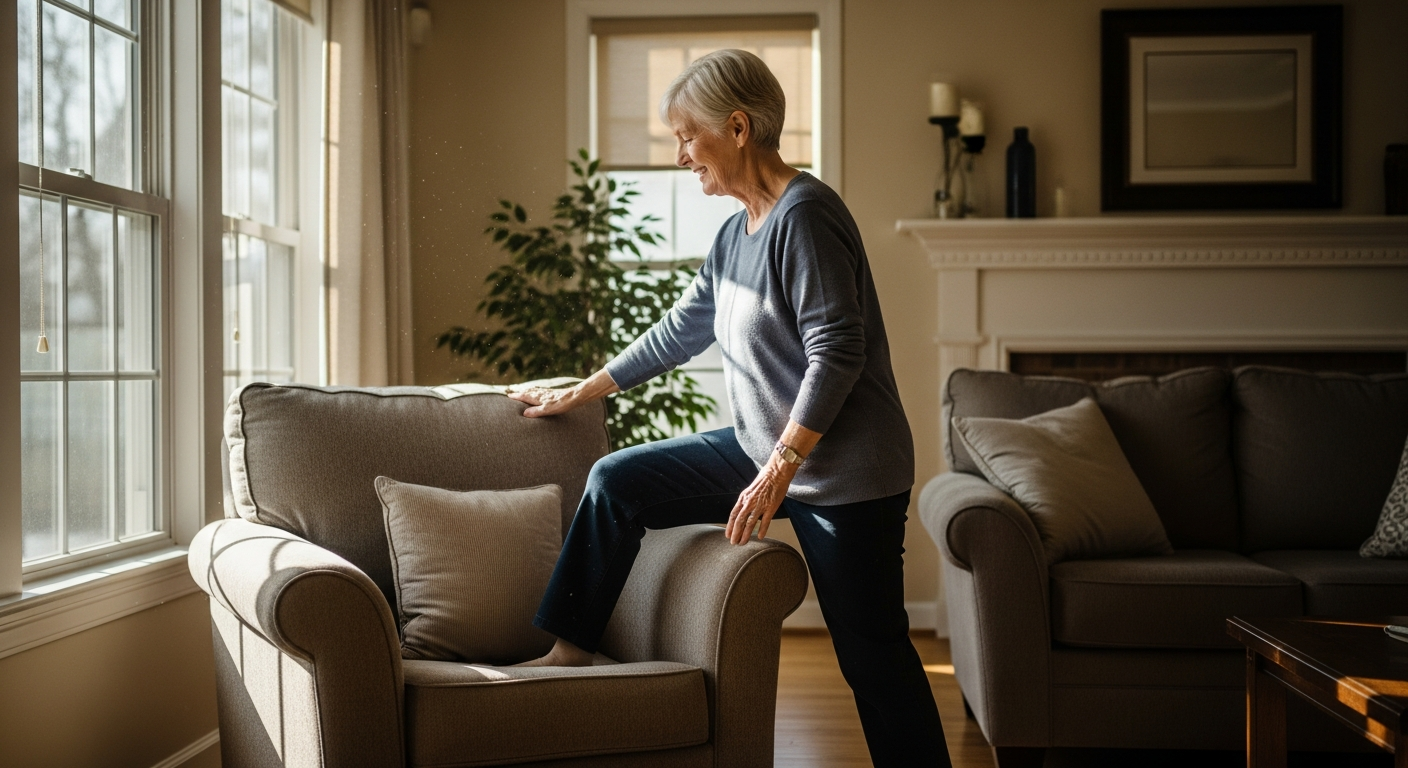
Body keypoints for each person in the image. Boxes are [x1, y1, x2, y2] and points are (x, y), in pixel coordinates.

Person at [506, 49, 951, 767]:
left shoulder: (806, 216)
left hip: (844, 471)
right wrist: (582, 389)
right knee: (617, 482)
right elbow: (683, 328)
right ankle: (569, 650)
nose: (681, 156)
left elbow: (838, 350)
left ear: (738, 128)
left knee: (872, 655)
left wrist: (781, 467)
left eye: (688, 136)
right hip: (762, 446)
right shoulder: (734, 230)